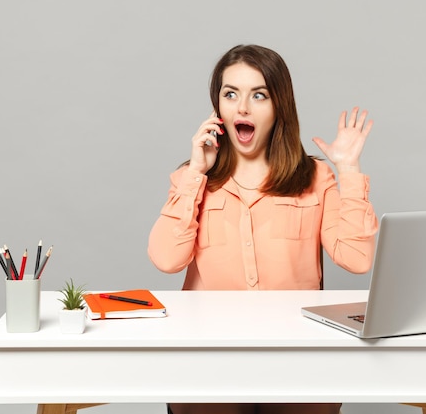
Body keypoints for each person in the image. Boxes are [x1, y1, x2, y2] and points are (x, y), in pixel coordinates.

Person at [148, 44, 378, 414]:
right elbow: (166, 259)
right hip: (210, 351)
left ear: (278, 107)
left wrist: (348, 170)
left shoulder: (315, 177)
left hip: (299, 351)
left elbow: (357, 258)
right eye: (230, 94)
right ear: (217, 108)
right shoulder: (193, 179)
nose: (243, 107)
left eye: (259, 95)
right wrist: (195, 172)